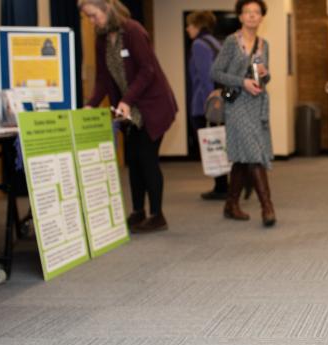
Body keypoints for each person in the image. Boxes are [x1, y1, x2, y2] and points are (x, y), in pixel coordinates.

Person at [80, 0, 178, 233]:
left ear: (106, 8)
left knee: (147, 159)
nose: (92, 22)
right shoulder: (102, 38)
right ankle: (137, 212)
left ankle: (157, 215)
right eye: (88, 18)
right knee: (133, 160)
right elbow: (103, 78)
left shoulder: (133, 31)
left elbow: (147, 70)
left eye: (94, 16)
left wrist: (126, 100)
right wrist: (91, 105)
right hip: (129, 110)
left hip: (152, 105)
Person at [210, 0, 275, 227]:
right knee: (255, 154)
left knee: (242, 157)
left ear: (261, 17)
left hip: (257, 105)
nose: (252, 16)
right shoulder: (231, 42)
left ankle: (231, 203)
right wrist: (243, 82)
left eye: (256, 12)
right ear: (240, 16)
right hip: (237, 105)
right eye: (247, 12)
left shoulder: (263, 44)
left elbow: (265, 78)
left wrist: (264, 75)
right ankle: (267, 207)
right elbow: (216, 72)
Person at [185, 10, 233, 201]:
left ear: (198, 25)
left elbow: (206, 77)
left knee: (211, 143)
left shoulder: (198, 44)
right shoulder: (214, 42)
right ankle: (224, 184)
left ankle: (221, 187)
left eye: (189, 25)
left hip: (204, 103)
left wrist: (209, 106)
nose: (187, 28)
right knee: (218, 142)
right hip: (220, 102)